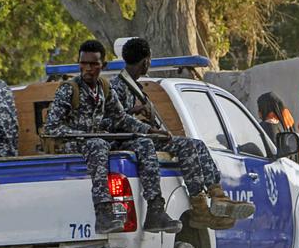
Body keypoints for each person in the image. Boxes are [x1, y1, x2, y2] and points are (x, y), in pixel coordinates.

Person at [109, 37, 254, 230]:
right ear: (146, 61)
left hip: (142, 136)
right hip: (127, 140)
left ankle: (211, 198)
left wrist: (149, 120)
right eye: (149, 60)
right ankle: (196, 208)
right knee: (156, 144)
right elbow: (117, 121)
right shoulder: (117, 87)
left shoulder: (135, 87)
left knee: (193, 145)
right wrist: (148, 127)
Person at [43, 39, 180, 235]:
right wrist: (85, 136)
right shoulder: (69, 89)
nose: (88, 69)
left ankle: (155, 210)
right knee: (97, 144)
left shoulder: (104, 88)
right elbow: (52, 129)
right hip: (72, 143)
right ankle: (104, 213)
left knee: (143, 143)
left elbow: (121, 119)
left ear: (103, 66)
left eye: (93, 64)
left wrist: (149, 131)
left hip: (98, 142)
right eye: (84, 63)